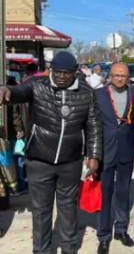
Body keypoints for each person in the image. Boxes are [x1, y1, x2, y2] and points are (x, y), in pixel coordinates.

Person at [0, 51, 102, 254]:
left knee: (68, 209)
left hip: (70, 162)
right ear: (51, 70)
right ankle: (42, 250)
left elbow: (93, 126)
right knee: (41, 212)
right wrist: (6, 89)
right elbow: (18, 91)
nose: (62, 76)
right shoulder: (37, 86)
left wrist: (94, 155)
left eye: (67, 73)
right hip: (39, 161)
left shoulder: (86, 93)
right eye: (58, 72)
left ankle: (69, 248)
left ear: (75, 72)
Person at [94, 63, 134, 254]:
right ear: (109, 76)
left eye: (123, 76)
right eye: (116, 75)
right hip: (104, 150)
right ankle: (103, 236)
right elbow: (91, 124)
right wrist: (92, 153)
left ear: (128, 77)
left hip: (126, 149)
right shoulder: (98, 95)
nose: (120, 78)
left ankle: (120, 230)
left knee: (123, 192)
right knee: (104, 195)